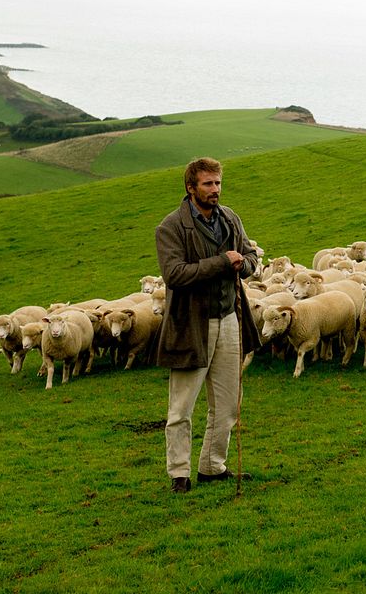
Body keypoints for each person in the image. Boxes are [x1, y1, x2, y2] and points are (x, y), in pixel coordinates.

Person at [155, 157, 261, 493]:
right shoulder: (171, 227)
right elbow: (175, 274)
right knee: (182, 406)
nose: (215, 190)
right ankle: (179, 473)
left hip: (229, 318)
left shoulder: (230, 218)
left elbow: (251, 258)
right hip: (191, 324)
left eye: (217, 183)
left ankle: (213, 466)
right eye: (207, 184)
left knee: (228, 403)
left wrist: (244, 263)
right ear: (190, 187)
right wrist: (220, 262)